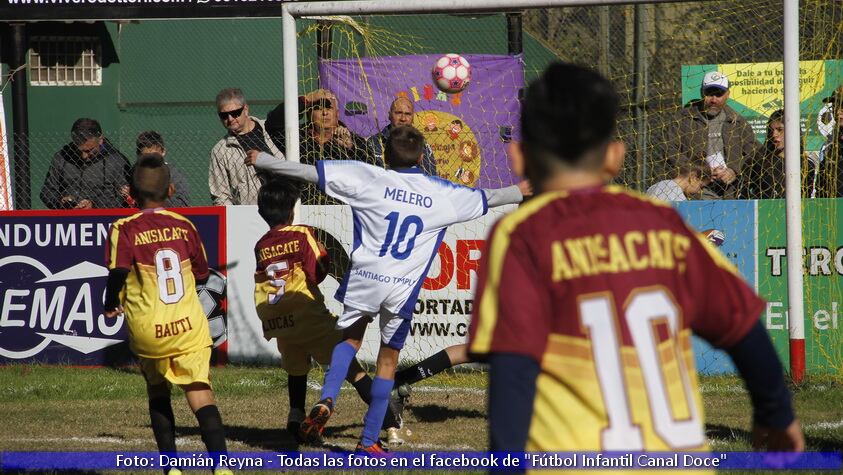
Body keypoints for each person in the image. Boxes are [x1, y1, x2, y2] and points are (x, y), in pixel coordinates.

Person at [467, 62, 803, 457]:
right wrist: (776, 413)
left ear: (519, 157)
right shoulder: (663, 223)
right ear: (615, 156)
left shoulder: (521, 236)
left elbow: (513, 374)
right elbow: (744, 329)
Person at [244, 125, 529, 453]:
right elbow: (492, 198)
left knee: (349, 340)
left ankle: (327, 397)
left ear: (384, 155)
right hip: (401, 287)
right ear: (423, 157)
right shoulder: (442, 193)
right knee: (387, 362)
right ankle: (368, 442)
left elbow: (308, 173)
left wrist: (265, 159)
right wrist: (522, 189)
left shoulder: (368, 177)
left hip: (366, 278)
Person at [103, 153, 231, 475]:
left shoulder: (124, 227)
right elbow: (202, 274)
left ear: (131, 192)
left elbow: (117, 273)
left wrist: (109, 304)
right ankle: (222, 468)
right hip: (188, 326)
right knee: (200, 392)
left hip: (150, 331)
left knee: (158, 392)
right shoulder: (185, 225)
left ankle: (171, 469)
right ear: (171, 190)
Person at [252, 178, 404, 445]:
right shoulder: (302, 233)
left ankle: (295, 418)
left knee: (296, 371)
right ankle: (390, 422)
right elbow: (317, 267)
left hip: (278, 320)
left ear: (261, 212)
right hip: (308, 316)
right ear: (292, 211)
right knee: (353, 370)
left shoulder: (261, 244)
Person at [265, 89, 373, 205]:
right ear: (308, 113)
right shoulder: (297, 137)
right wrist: (305, 100)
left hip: (342, 210)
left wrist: (351, 148)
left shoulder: (354, 141)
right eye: (318, 108)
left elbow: (372, 171)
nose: (324, 113)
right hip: (301, 208)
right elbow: (272, 124)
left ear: (337, 113)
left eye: (328, 108)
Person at [665, 71, 758, 199]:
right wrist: (699, 171)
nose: (714, 100)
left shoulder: (738, 122)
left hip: (731, 192)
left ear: (728, 95)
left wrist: (734, 170)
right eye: (709, 94)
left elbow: (753, 153)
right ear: (701, 92)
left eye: (719, 94)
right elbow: (671, 151)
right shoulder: (682, 119)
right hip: (693, 191)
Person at [209, 88, 285, 205]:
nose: (230, 119)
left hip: (287, 205)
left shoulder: (271, 129)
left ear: (245, 109)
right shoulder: (220, 150)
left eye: (235, 113)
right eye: (224, 115)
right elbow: (220, 195)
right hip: (250, 214)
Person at [41, 118, 131, 209]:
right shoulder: (62, 157)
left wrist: (95, 205)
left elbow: (125, 197)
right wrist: (60, 201)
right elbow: (47, 191)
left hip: (103, 219)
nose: (84, 156)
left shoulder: (116, 161)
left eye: (89, 150)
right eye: (79, 150)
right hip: (68, 219)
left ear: (100, 139)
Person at [739, 110, 815, 199]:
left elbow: (807, 199)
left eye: (779, 130)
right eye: (771, 130)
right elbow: (743, 196)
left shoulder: (807, 165)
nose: (774, 134)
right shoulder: (757, 162)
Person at [368, 97, 437, 176]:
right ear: (389, 115)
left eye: (408, 114)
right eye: (398, 113)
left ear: (413, 117)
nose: (403, 119)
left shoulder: (420, 143)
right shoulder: (373, 143)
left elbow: (430, 176)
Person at [121, 131, 191, 207]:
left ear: (163, 152)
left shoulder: (174, 175)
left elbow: (182, 203)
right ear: (139, 155)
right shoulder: (135, 173)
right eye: (146, 156)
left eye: (154, 155)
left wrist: (152, 198)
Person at [813, 86, 843, 198]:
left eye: (842, 104)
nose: (838, 110)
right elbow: (820, 188)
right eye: (835, 105)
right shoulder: (829, 147)